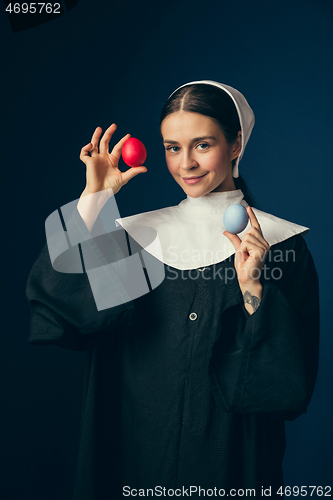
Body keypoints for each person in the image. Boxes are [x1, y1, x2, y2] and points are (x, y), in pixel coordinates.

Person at [26, 81, 320, 499]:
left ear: (236, 144)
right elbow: (61, 307)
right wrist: (95, 198)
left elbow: (287, 384)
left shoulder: (280, 245)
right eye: (172, 147)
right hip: (135, 450)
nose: (186, 164)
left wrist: (253, 285)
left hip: (227, 459)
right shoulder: (137, 237)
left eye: (202, 144)